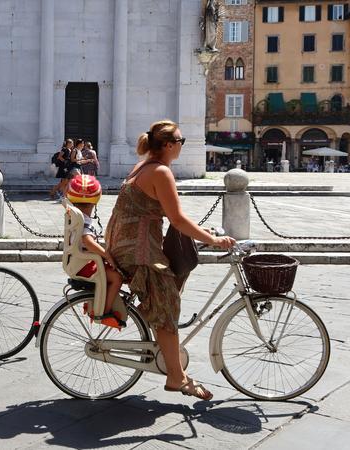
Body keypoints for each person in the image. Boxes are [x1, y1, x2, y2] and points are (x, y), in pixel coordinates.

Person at [104, 119, 235, 401]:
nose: (182, 145)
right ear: (168, 145)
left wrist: (202, 232)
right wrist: (213, 240)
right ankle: (176, 378)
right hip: (137, 249)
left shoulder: (144, 166)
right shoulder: (161, 172)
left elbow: (169, 215)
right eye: (180, 141)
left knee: (165, 297)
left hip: (125, 241)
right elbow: (176, 218)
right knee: (167, 304)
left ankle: (169, 355)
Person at [65, 174, 123, 328]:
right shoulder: (84, 221)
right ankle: (104, 312)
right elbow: (88, 241)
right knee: (117, 278)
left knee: (110, 272)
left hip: (79, 262)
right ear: (95, 201)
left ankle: (94, 301)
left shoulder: (75, 216)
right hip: (84, 265)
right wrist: (107, 255)